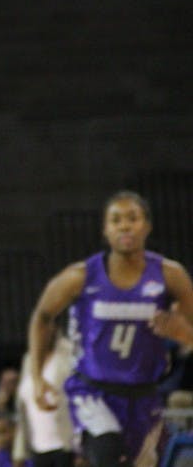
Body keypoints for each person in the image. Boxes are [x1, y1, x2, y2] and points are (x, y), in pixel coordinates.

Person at [27, 190, 193, 467]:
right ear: (105, 230)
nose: (125, 225)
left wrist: (183, 334)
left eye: (133, 218)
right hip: (92, 391)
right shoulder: (79, 277)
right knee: (107, 448)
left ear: (147, 226)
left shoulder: (170, 275)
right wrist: (37, 377)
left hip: (144, 395)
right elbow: (42, 318)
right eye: (116, 220)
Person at [13, 333, 73, 467]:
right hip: (38, 447)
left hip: (66, 446)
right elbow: (22, 407)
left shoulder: (69, 354)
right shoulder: (29, 359)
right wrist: (19, 451)